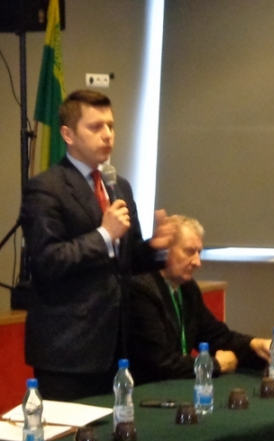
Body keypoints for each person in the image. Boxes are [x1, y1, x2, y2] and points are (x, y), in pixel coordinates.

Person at [19, 89, 174, 401]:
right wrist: (104, 234)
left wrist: (155, 248)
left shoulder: (119, 186)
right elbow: (48, 260)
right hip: (68, 351)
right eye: (95, 127)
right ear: (68, 135)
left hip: (118, 347)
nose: (107, 135)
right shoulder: (45, 189)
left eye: (111, 126)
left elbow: (126, 262)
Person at [128, 215, 270, 382]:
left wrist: (255, 345)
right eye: (189, 252)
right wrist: (215, 364)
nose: (197, 262)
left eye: (199, 253)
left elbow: (217, 337)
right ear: (165, 250)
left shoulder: (188, 289)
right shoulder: (141, 290)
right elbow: (159, 363)